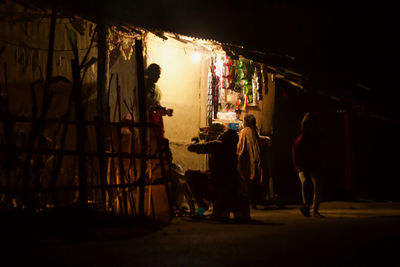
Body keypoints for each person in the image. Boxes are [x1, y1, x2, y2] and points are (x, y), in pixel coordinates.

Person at [185, 128, 250, 221]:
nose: (221, 134)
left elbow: (191, 148)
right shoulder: (233, 150)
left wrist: (194, 142)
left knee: (189, 174)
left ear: (226, 137)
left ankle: (202, 205)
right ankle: (216, 208)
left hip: (217, 186)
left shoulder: (217, 145)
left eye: (224, 133)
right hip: (231, 189)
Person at [292, 112, 324, 218]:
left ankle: (313, 209)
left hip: (311, 163)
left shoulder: (310, 138)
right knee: (306, 183)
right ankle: (307, 205)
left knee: (315, 186)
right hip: (304, 164)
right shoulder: (301, 140)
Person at [237, 114, 263, 209]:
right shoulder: (254, 132)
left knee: (246, 182)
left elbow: (240, 148)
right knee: (253, 180)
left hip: (246, 160)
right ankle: (253, 202)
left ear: (245, 122)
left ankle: (248, 202)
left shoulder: (244, 132)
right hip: (254, 159)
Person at [144, 63, 173, 138]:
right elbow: (149, 105)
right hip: (148, 121)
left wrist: (165, 111)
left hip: (156, 121)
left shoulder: (156, 89)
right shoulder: (145, 86)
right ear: (151, 73)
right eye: (157, 74)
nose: (159, 76)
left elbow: (156, 106)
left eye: (159, 74)